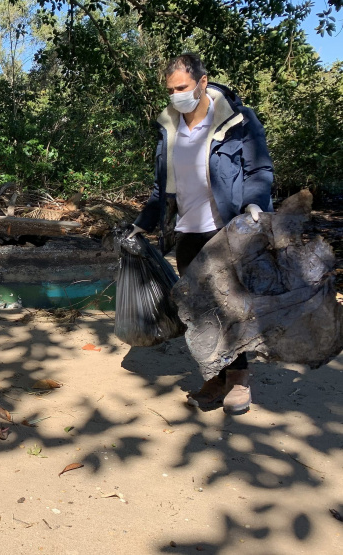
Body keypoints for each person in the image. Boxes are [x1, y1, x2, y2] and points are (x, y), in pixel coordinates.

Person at [130, 53, 274, 414]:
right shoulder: (169, 127)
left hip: (226, 228)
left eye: (182, 87)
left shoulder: (239, 120)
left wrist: (255, 204)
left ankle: (239, 381)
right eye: (171, 90)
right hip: (187, 231)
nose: (177, 95)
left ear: (202, 82)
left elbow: (258, 169)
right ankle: (214, 377)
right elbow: (160, 187)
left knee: (229, 306)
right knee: (197, 312)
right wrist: (142, 222)